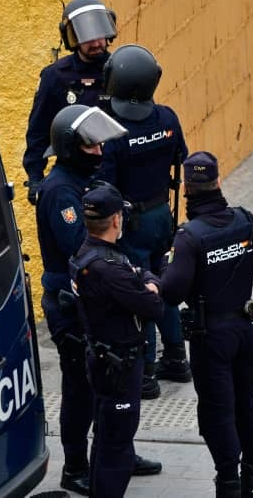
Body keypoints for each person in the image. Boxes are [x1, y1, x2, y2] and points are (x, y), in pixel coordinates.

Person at [159, 152, 253, 498]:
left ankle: (228, 483)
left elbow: (171, 292)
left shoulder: (189, 237)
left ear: (187, 188)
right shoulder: (245, 221)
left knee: (218, 412)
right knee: (246, 403)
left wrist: (166, 269)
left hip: (210, 338)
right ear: (217, 182)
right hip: (246, 330)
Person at [35, 104, 126, 495]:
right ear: (71, 148)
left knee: (108, 384)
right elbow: (80, 248)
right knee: (79, 388)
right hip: (69, 305)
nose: (99, 152)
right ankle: (75, 466)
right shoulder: (60, 192)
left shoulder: (84, 183)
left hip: (91, 300)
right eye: (90, 147)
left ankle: (115, 452)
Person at [97, 44, 191, 399]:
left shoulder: (112, 131)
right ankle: (177, 358)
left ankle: (147, 372)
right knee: (163, 285)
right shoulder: (167, 119)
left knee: (140, 292)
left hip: (131, 222)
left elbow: (104, 183)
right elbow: (180, 156)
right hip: (161, 216)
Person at [69, 183, 164, 497]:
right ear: (115, 221)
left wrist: (144, 280)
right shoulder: (108, 269)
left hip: (105, 359)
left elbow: (140, 274)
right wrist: (148, 284)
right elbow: (153, 305)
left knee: (106, 440)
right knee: (116, 449)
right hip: (119, 365)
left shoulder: (90, 254)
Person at [23, 0, 117, 206]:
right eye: (87, 37)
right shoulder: (55, 77)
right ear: (71, 38)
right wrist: (35, 176)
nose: (96, 42)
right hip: (75, 174)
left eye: (99, 34)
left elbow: (139, 113)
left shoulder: (120, 68)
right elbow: (38, 131)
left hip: (115, 170)